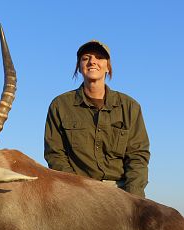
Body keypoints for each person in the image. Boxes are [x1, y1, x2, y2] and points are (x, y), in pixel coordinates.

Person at [44, 40, 150, 197]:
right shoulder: (60, 105)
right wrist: (76, 190)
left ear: (108, 67)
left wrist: (134, 199)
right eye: (85, 58)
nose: (92, 61)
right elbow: (55, 155)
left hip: (120, 191)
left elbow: (138, 156)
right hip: (78, 192)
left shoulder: (130, 107)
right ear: (79, 67)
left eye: (99, 57)